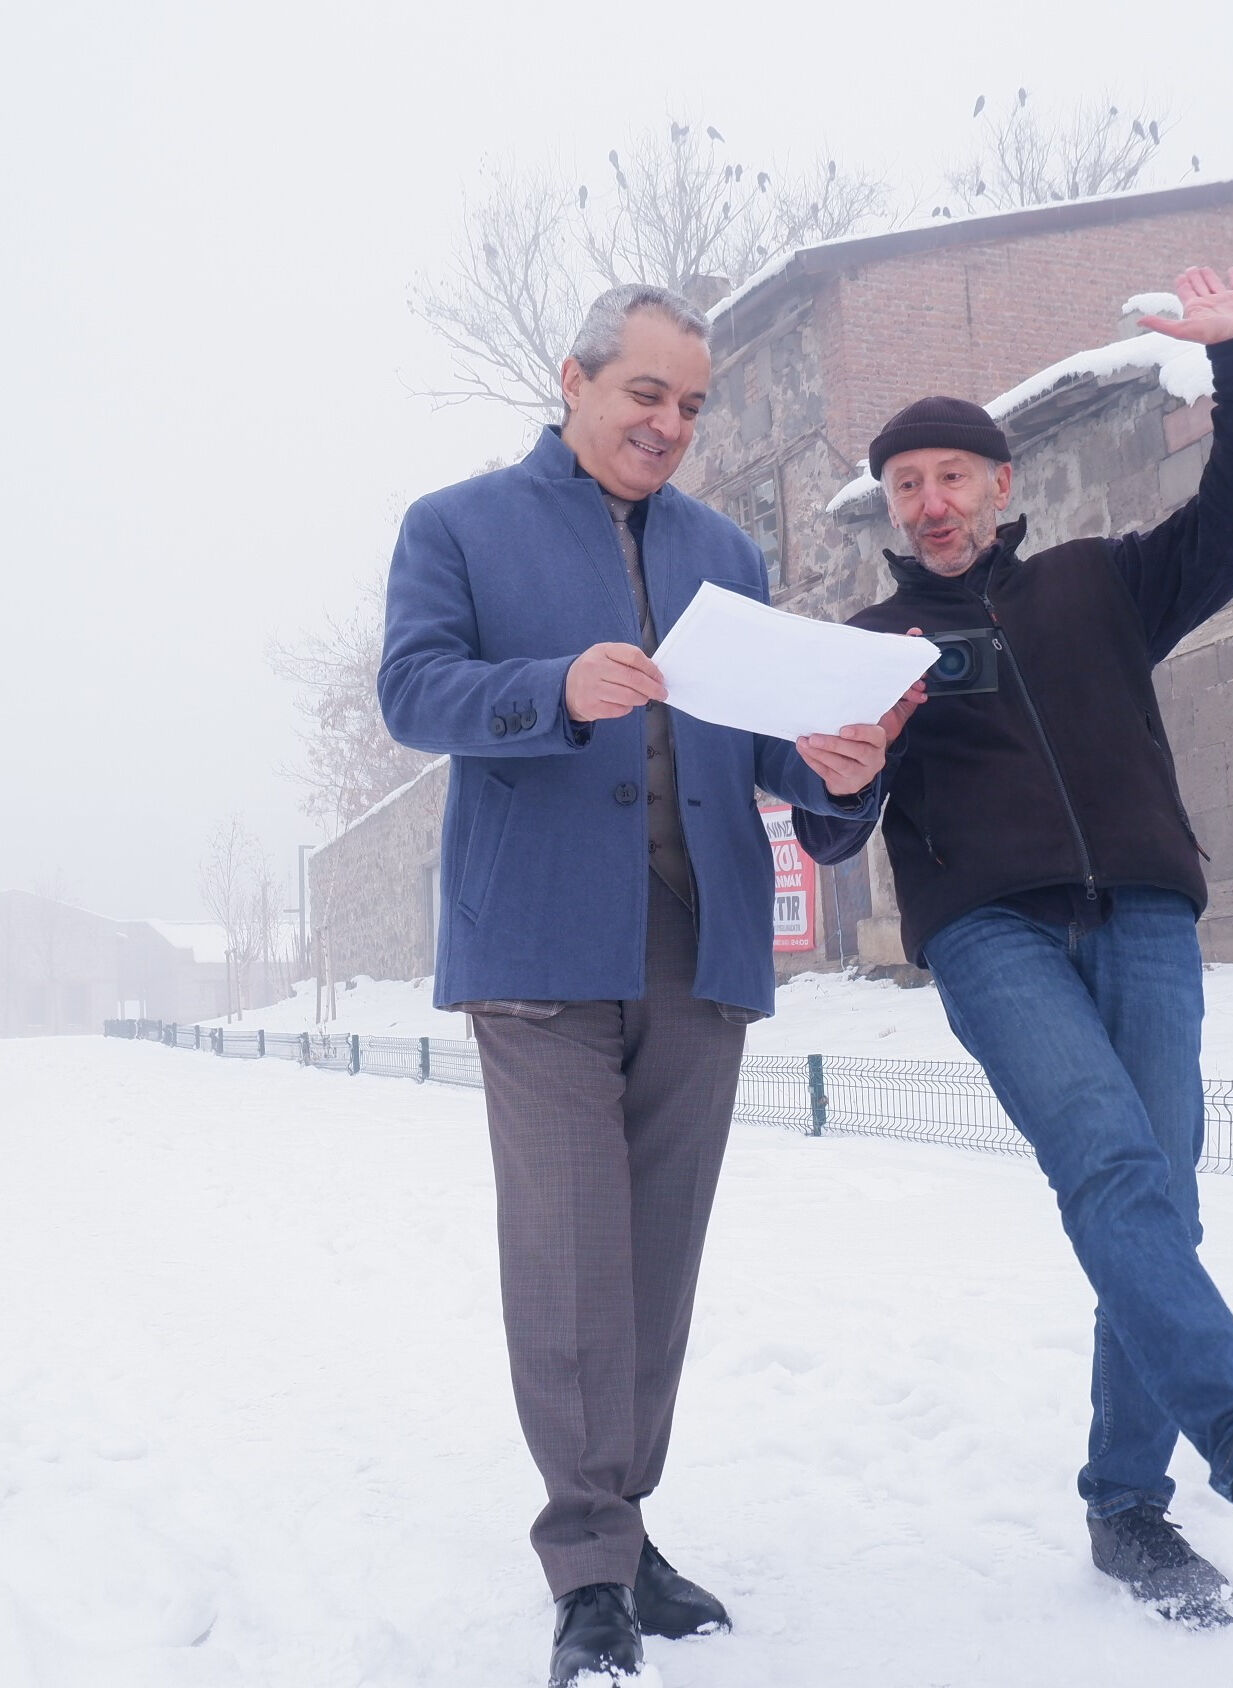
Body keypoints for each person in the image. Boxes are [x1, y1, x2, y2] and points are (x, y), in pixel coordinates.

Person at [796, 266, 1233, 1628]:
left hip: (1141, 914)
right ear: (891, 514)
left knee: (1155, 1204)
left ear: (1002, 486)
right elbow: (826, 829)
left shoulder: (1101, 587)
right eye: (905, 488)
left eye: (952, 476)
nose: (930, 502)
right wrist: (839, 770)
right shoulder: (865, 648)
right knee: (1110, 1165)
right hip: (989, 932)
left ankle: (1125, 1505)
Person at [380, 283, 898, 1687]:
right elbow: (413, 692)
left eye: (690, 405)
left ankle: (625, 1523)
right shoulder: (457, 527)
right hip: (539, 949)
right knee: (566, 1263)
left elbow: (773, 743)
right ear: (575, 380)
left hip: (698, 949)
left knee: (652, 1262)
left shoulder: (725, 552)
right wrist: (553, 689)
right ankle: (587, 1565)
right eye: (644, 395)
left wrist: (840, 771)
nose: (668, 423)